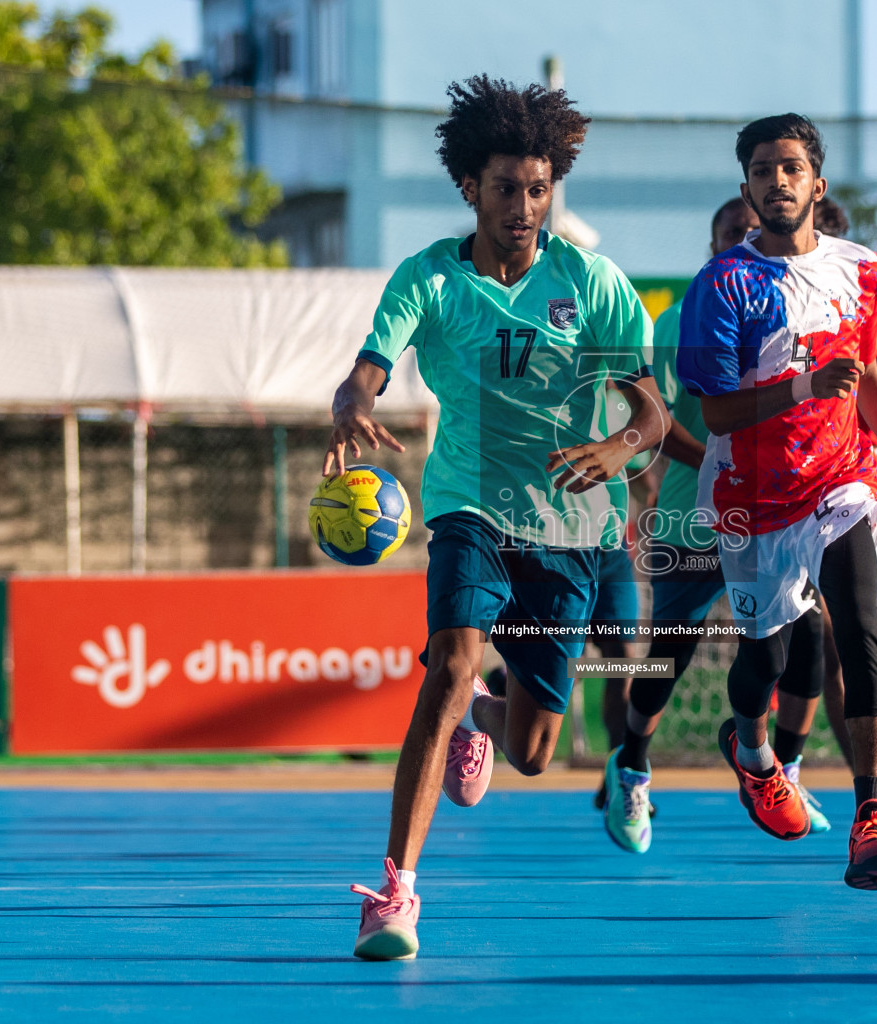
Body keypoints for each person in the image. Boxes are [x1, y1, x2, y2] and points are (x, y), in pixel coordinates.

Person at [328, 76, 666, 960]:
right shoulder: (431, 278)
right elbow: (369, 365)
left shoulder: (591, 283)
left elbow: (653, 414)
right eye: (506, 187)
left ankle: (485, 715)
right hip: (468, 508)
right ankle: (395, 894)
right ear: (470, 187)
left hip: (570, 528)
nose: (523, 204)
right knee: (447, 665)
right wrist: (350, 400)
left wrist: (619, 450)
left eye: (539, 187)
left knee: (532, 754)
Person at [679, 114, 877, 891]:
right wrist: (801, 386)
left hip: (843, 479)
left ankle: (870, 815)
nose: (777, 182)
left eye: (790, 169)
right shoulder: (721, 285)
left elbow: (870, 377)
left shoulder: (862, 270)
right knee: (768, 655)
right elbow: (717, 414)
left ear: (816, 185)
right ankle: (751, 751)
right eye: (762, 171)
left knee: (858, 623)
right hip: (752, 497)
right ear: (748, 188)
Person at [599, 198, 838, 851]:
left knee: (805, 642)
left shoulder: (796, 318)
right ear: (713, 250)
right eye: (731, 235)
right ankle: (632, 771)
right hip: (695, 515)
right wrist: (722, 465)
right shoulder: (682, 320)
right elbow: (658, 425)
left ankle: (778, 771)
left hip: (775, 521)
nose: (743, 242)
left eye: (753, 233)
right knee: (666, 660)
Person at [777, 197, 877, 786]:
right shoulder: (753, 311)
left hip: (853, 502)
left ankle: (859, 792)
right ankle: (776, 761)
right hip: (774, 502)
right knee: (793, 642)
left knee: (840, 640)